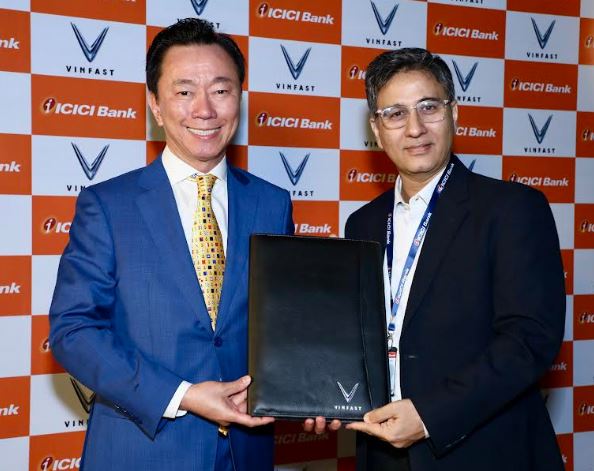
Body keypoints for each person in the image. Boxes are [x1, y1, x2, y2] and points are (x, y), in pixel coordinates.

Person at [49, 18, 293, 471]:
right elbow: (73, 331)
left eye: (221, 90)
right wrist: (183, 395)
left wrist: (315, 386)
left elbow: (284, 323)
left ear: (239, 98)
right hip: (141, 450)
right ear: (155, 106)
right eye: (184, 91)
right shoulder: (108, 205)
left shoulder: (272, 203)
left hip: (247, 450)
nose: (205, 109)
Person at [310, 48, 565, 470]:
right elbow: (356, 337)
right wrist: (324, 394)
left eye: (429, 107)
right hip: (381, 450)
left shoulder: (512, 208)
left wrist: (429, 415)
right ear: (377, 129)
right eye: (395, 114)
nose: (415, 128)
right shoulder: (363, 223)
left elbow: (529, 340)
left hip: (482, 452)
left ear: (454, 113)